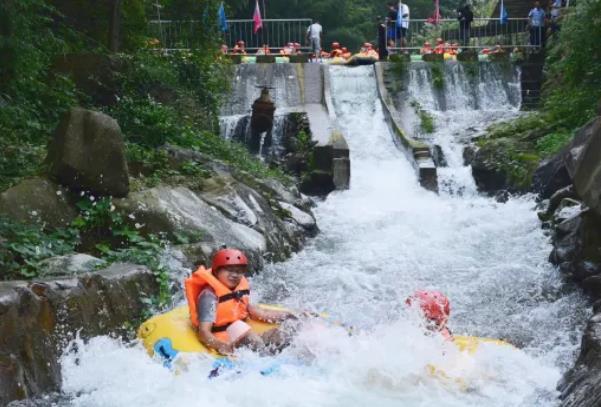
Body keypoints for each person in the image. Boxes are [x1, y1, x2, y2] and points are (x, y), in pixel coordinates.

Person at [185, 248, 297, 355]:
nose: (234, 275)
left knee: (286, 333)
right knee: (242, 330)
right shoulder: (209, 296)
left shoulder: (238, 290)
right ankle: (266, 359)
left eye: (238, 272)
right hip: (223, 337)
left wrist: (290, 315)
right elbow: (204, 333)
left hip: (241, 332)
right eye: (229, 270)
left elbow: (260, 312)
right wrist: (222, 346)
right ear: (217, 271)